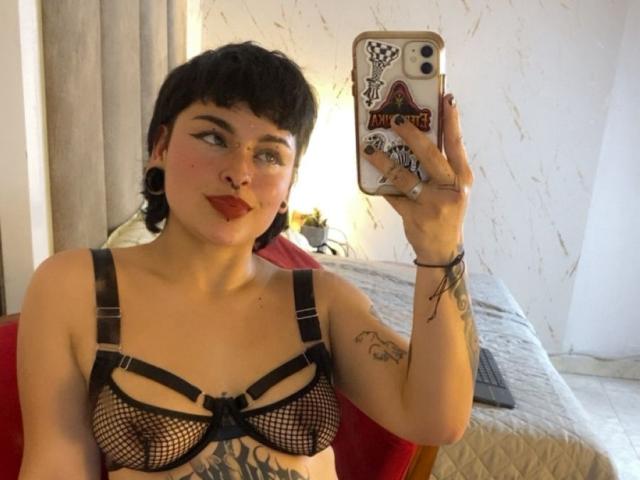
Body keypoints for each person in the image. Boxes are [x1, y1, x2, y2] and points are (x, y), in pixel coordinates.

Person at [17, 42, 479, 479]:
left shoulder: (320, 302)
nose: (239, 172)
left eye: (269, 155)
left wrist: (440, 248)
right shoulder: (77, 288)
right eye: (213, 137)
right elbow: (54, 466)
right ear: (160, 148)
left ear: (288, 187)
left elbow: (436, 420)